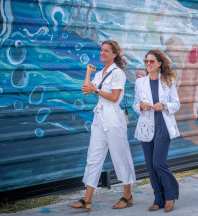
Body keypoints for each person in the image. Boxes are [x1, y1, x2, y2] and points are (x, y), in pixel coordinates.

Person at [69, 40, 136, 211]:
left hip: (113, 117)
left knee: (120, 156)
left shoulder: (118, 73)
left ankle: (127, 196)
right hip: (99, 118)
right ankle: (87, 199)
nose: (103, 53)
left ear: (114, 54)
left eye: (107, 51)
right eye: (101, 50)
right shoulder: (100, 73)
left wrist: (96, 90)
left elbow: (114, 98)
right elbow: (86, 89)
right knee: (93, 156)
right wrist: (88, 72)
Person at [133, 49, 180, 212]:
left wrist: (164, 105)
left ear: (159, 64)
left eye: (152, 61)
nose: (148, 64)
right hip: (146, 127)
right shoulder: (140, 82)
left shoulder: (168, 81)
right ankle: (158, 199)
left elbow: (176, 104)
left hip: (163, 127)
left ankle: (170, 195)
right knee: (150, 166)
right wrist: (140, 106)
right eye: (146, 61)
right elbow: (134, 105)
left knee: (159, 163)